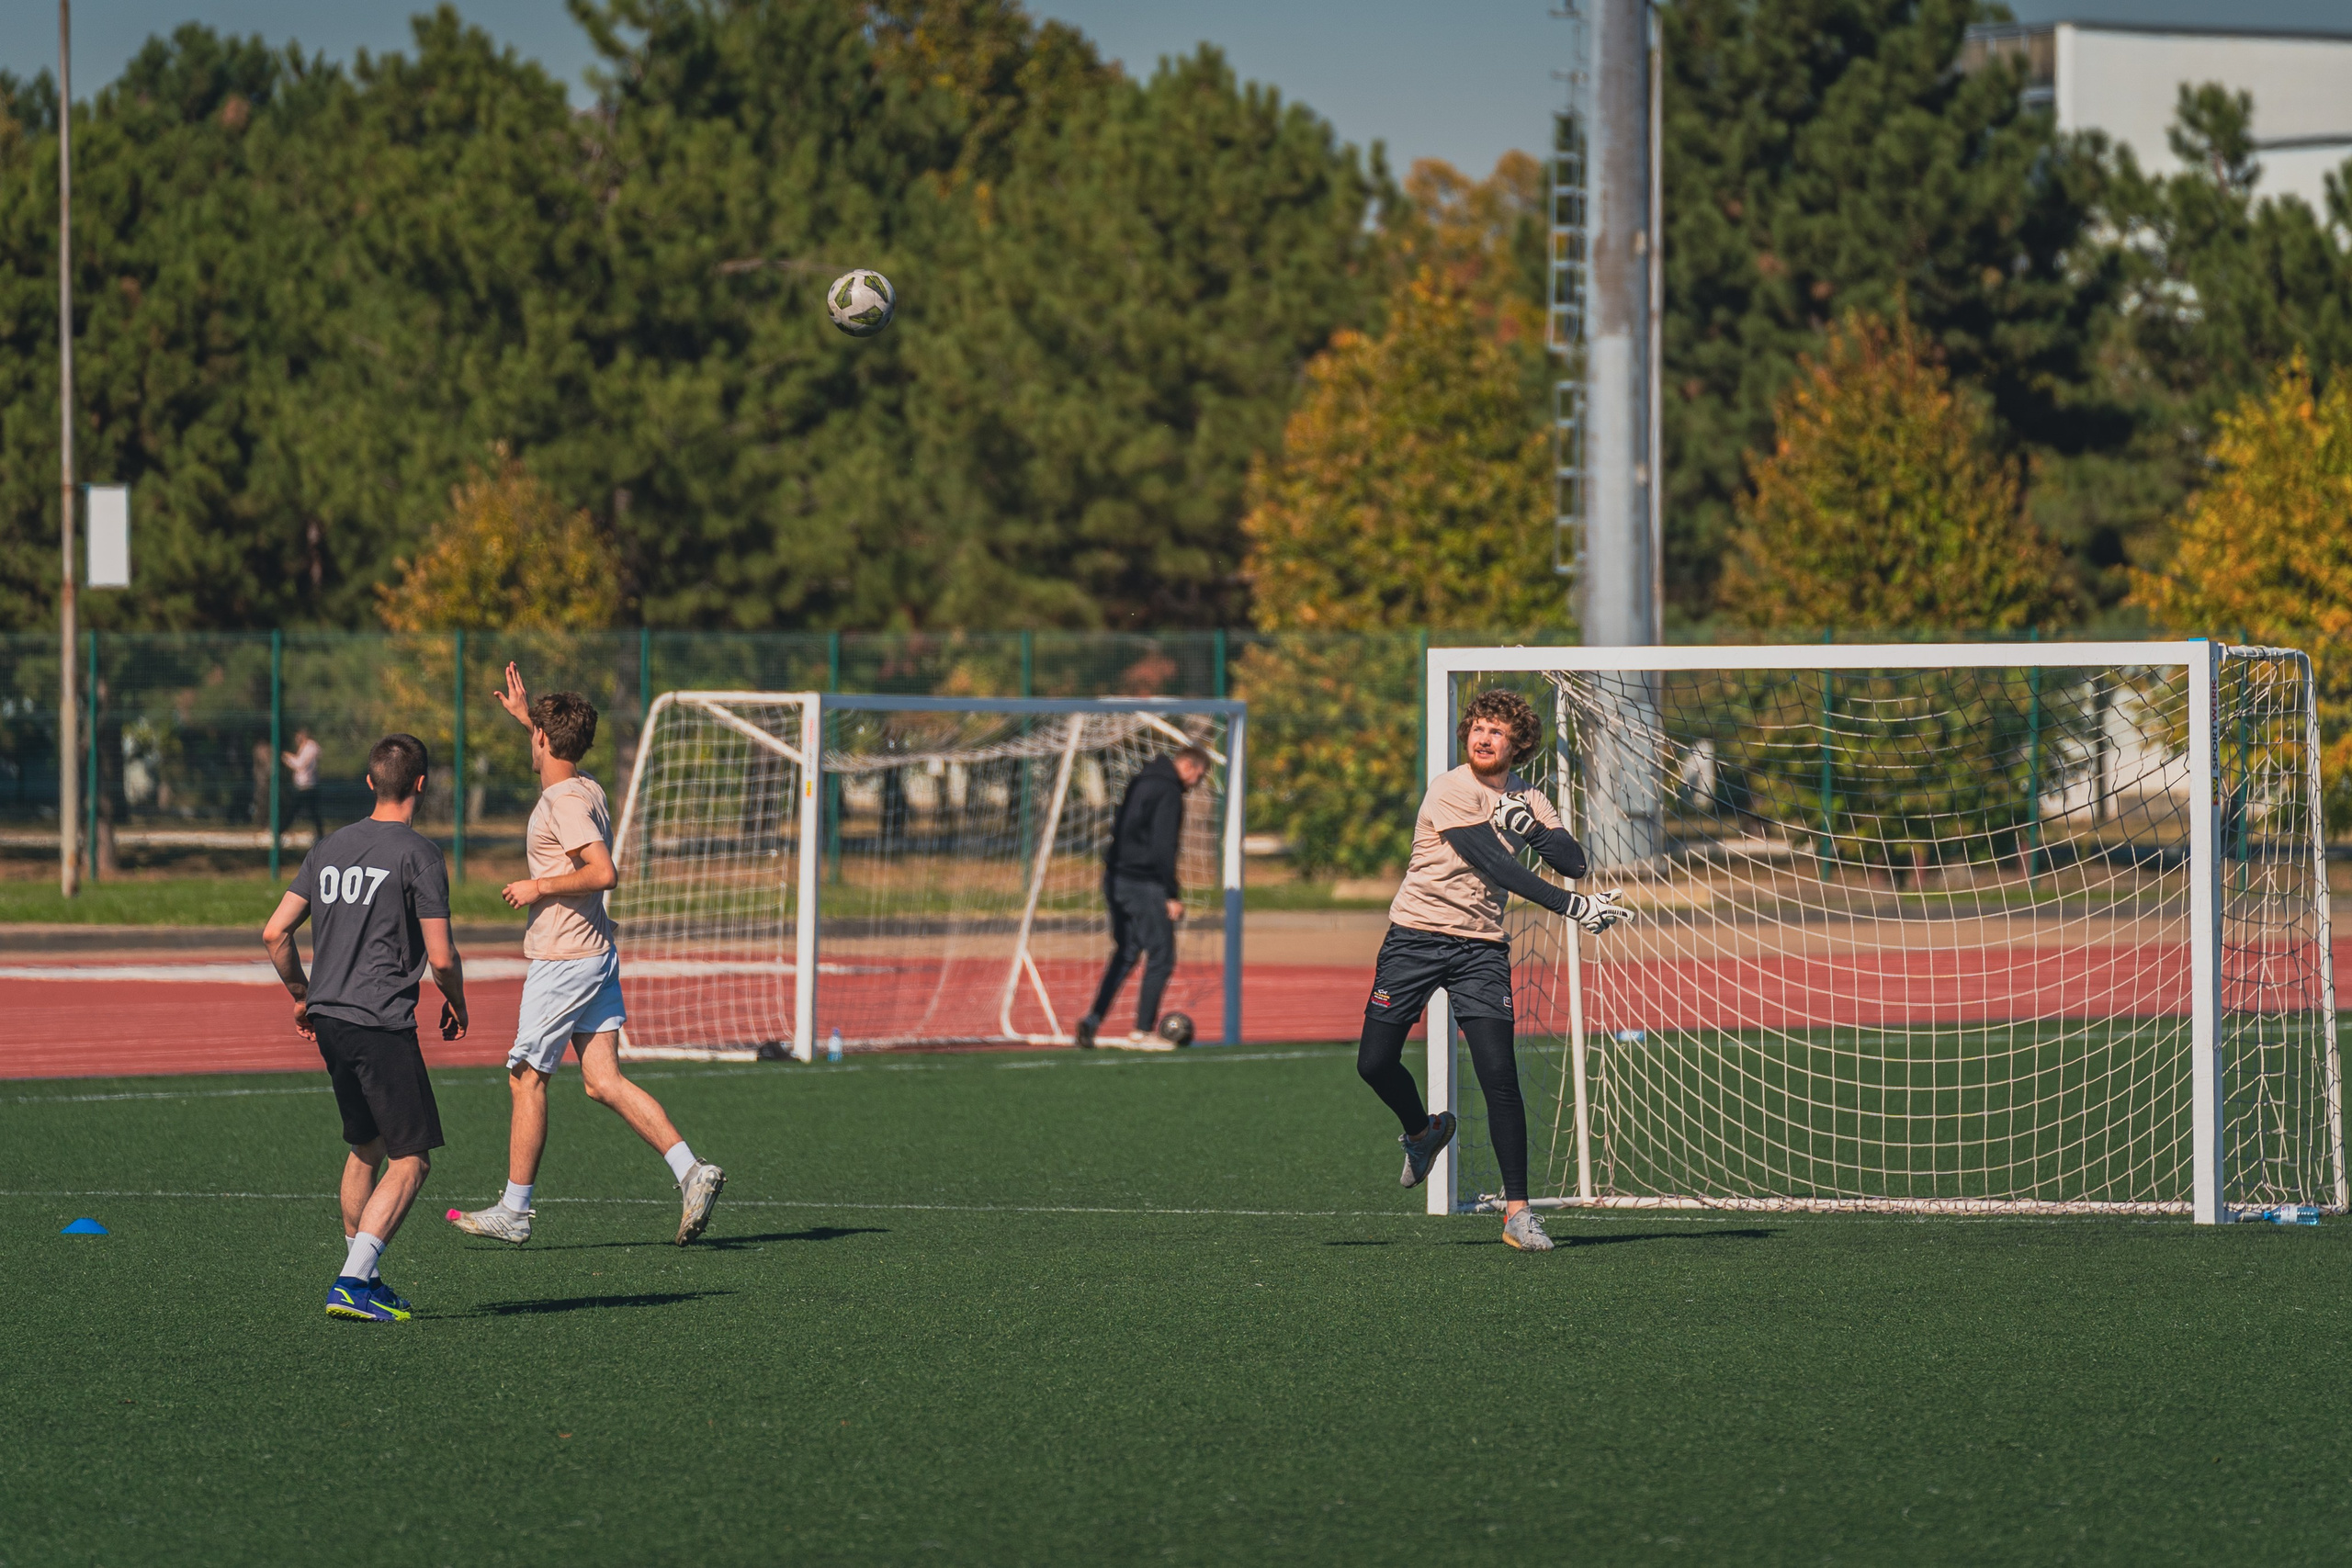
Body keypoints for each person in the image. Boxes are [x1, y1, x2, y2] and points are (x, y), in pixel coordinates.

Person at [447, 664, 725, 1247]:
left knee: (526, 1076)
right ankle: (691, 1172)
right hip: (594, 951)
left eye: (533, 735)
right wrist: (531, 719)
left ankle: (515, 1210)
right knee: (601, 1080)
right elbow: (559, 773)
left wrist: (538, 887)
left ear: (545, 741)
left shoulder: (562, 803)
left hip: (567, 957)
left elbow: (604, 873)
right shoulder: (585, 787)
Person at [1358, 690, 1633, 1251]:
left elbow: (1574, 861)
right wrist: (1573, 907)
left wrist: (1531, 826)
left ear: (1518, 745)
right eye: (1478, 727)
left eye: (1497, 731)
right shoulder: (1450, 788)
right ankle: (1423, 1132)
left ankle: (1518, 1213)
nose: (1483, 737)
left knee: (1498, 1077)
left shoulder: (1529, 796)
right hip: (1415, 937)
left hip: (1480, 950)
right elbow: (1496, 864)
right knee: (1374, 1063)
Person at [262, 733, 469, 1323]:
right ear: (423, 785)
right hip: (379, 1021)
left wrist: (303, 995)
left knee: (366, 1147)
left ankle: (366, 1277)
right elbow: (443, 956)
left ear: (371, 782)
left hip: (330, 1019)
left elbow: (275, 933)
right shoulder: (419, 854)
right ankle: (352, 1281)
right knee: (412, 1158)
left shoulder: (328, 847)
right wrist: (457, 1003)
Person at [1075, 746, 1209, 1050]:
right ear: (1188, 766)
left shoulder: (1141, 781)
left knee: (1127, 952)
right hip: (1142, 882)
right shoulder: (1168, 791)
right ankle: (1142, 1031)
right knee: (1162, 955)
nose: (1195, 784)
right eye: (1198, 777)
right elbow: (1164, 846)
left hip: (1115, 879)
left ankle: (1093, 1019)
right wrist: (1171, 894)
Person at [280, 727, 325, 843]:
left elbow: (299, 765)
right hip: (304, 786)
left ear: (303, 735)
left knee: (294, 810)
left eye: (298, 736)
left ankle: (280, 831)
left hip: (307, 787)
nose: (296, 739)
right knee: (311, 812)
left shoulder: (310, 748)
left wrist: (286, 757)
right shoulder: (305, 748)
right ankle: (320, 835)